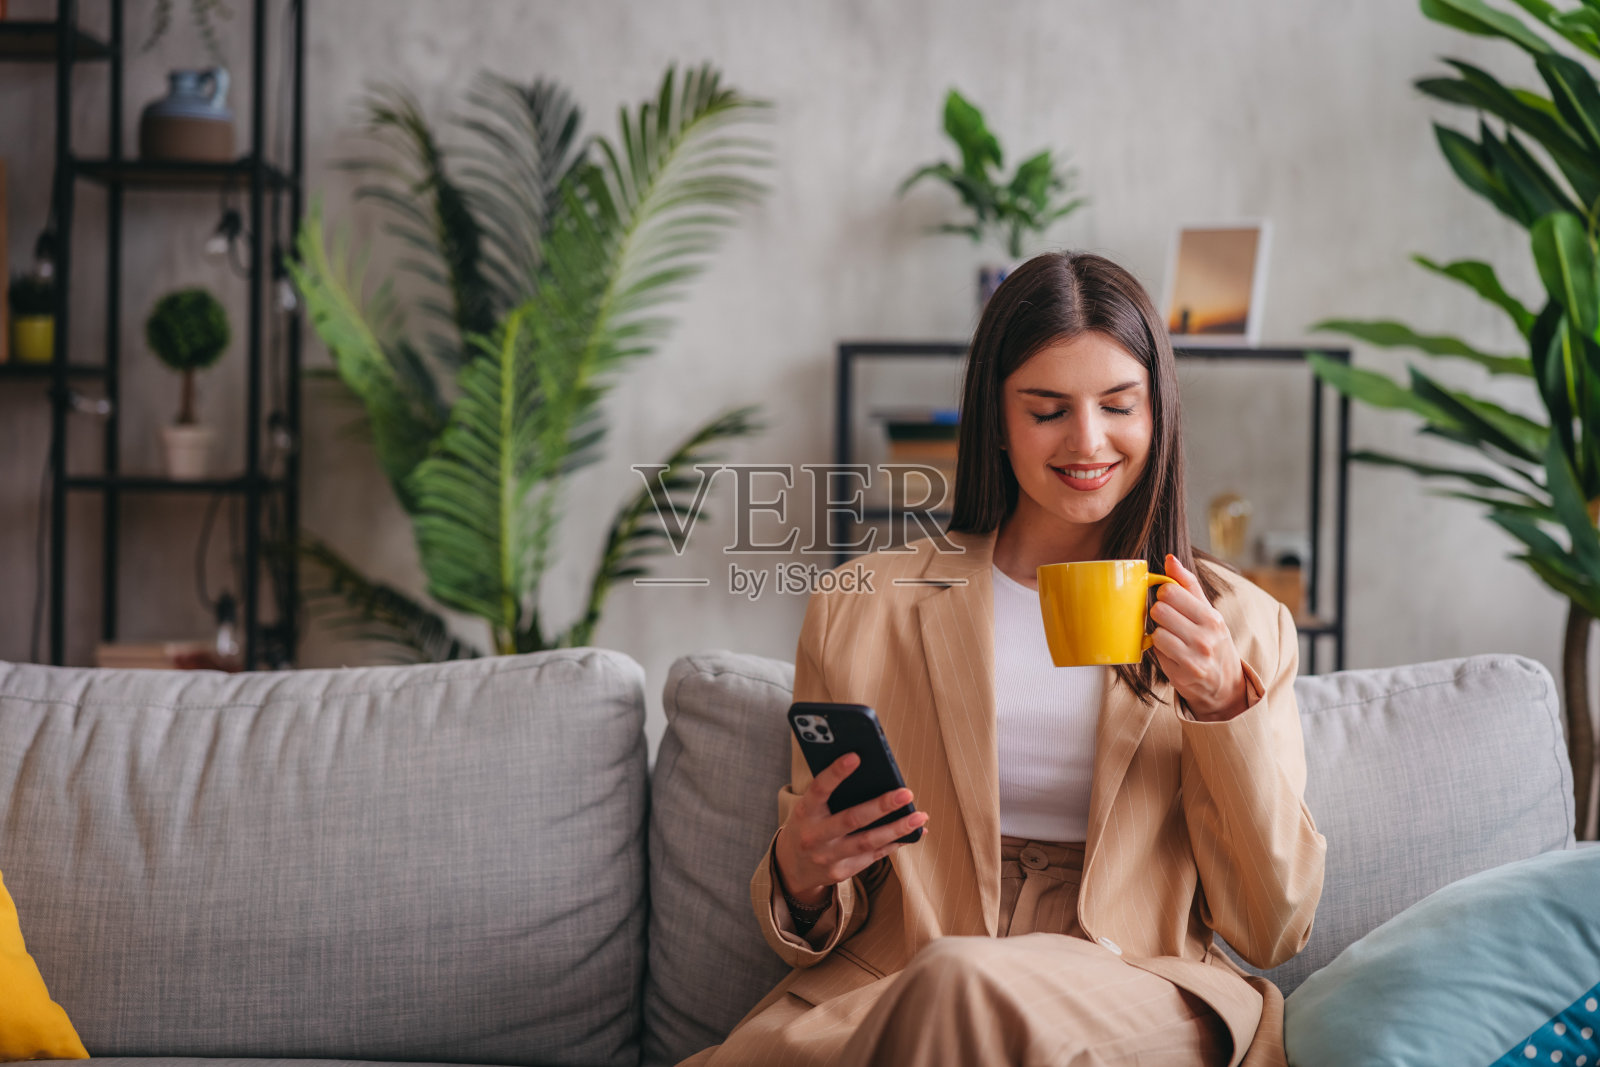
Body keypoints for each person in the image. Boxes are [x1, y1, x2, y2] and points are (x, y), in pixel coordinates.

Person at [686, 252, 1326, 1067]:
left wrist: (1221, 705)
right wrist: (803, 870)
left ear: (1157, 414)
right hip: (902, 978)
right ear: (996, 418)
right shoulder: (862, 608)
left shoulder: (1242, 625)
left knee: (960, 982)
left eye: (1119, 405)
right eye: (1048, 409)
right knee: (946, 985)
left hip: (1134, 986)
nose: (1087, 440)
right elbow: (821, 913)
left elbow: (1273, 924)